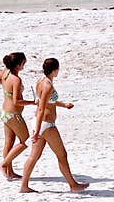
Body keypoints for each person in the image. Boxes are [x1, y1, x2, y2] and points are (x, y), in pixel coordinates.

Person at [19, 57, 89, 193]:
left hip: (39, 123)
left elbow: (45, 101)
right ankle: (73, 185)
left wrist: (63, 105)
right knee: (62, 155)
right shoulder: (48, 86)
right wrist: (37, 131)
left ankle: (24, 186)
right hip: (46, 125)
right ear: (55, 70)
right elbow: (41, 108)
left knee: (34, 156)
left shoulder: (41, 81)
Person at [0, 52, 37, 180]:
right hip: (13, 115)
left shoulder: (5, 73)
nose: (24, 65)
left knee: (9, 143)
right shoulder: (16, 79)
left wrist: (5, 87)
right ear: (18, 65)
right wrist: (33, 102)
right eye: (23, 63)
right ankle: (3, 165)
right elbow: (17, 101)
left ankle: (9, 172)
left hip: (5, 112)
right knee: (25, 140)